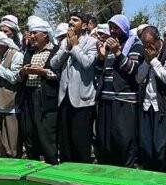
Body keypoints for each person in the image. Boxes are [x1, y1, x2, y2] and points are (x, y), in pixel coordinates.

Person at [94, 15, 144, 167]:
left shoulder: (135, 45)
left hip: (124, 101)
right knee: (105, 141)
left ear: (124, 29)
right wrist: (101, 58)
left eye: (116, 28)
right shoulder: (108, 46)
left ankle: (126, 174)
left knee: (124, 141)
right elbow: (98, 71)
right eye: (111, 27)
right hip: (106, 100)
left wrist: (118, 53)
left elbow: (133, 70)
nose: (113, 31)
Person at [51, 12, 99, 163]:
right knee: (65, 141)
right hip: (64, 97)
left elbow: (86, 63)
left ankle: (81, 173)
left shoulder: (92, 42)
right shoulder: (64, 42)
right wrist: (66, 48)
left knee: (81, 141)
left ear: (84, 25)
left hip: (82, 99)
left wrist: (75, 46)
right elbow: (53, 64)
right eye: (70, 20)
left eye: (75, 20)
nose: (70, 22)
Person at [136, 25, 166, 171]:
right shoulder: (145, 53)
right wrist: (147, 62)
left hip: (163, 106)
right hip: (147, 104)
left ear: (158, 40)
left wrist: (154, 60)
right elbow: (139, 78)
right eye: (144, 44)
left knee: (162, 147)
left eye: (150, 44)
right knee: (146, 146)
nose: (147, 47)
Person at [18, 17, 59, 163]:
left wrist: (42, 72)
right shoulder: (29, 52)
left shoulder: (55, 51)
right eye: (31, 33)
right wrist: (23, 72)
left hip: (45, 97)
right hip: (29, 95)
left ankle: (51, 166)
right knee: (30, 132)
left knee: (46, 134)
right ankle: (32, 164)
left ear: (45, 35)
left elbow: (58, 75)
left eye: (35, 33)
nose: (32, 36)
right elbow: (20, 75)